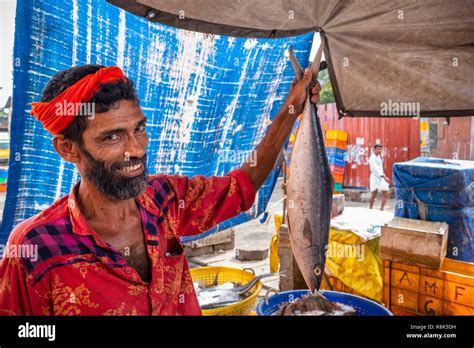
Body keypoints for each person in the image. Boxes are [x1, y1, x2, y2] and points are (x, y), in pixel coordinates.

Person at [0, 65, 320, 315]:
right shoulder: (36, 247)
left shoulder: (163, 199)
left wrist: (292, 106)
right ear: (68, 149)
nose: (136, 149)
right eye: (112, 137)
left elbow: (242, 186)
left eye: (139, 128)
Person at [369, 144, 389, 210]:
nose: (379, 151)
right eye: (378, 149)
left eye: (380, 149)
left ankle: (381, 208)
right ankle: (370, 208)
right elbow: (376, 169)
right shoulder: (372, 158)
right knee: (374, 193)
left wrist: (383, 175)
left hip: (381, 176)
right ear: (374, 149)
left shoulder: (378, 157)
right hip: (375, 176)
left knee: (386, 193)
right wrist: (384, 177)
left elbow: (380, 168)